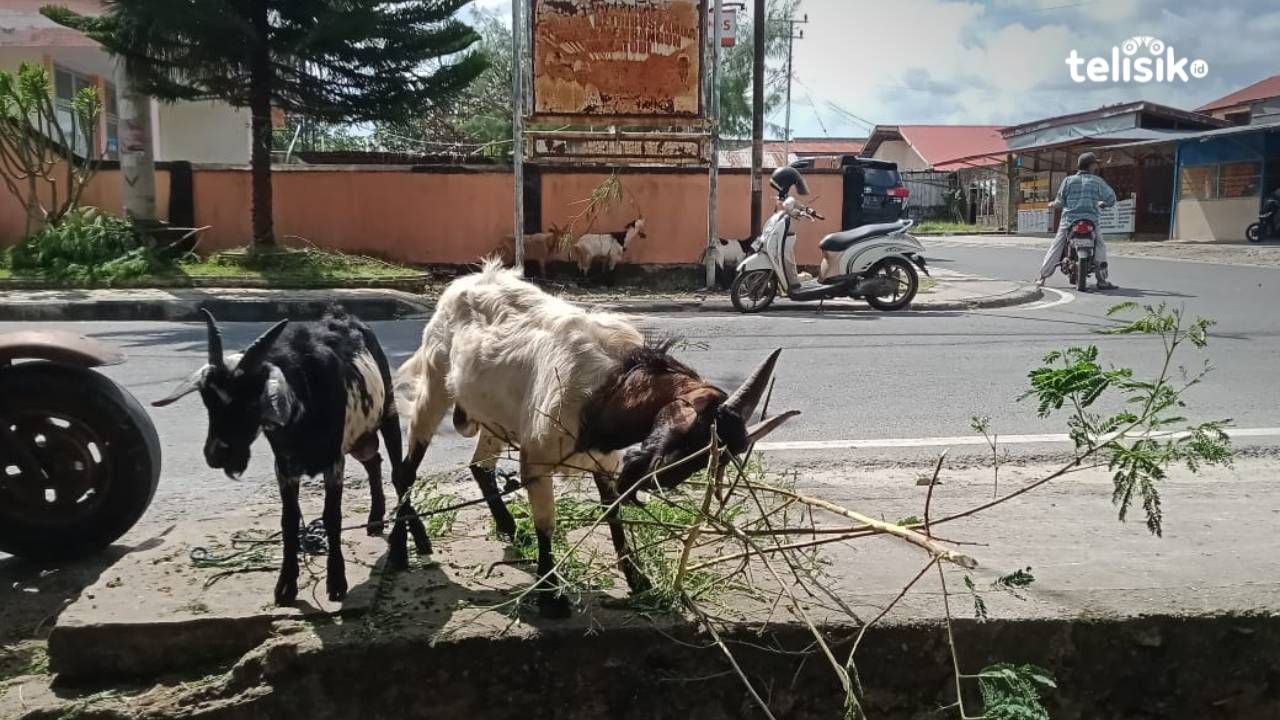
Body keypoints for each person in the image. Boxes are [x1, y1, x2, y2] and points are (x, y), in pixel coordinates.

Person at [1036, 152, 1117, 291]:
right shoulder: (1097, 181)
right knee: (1100, 247)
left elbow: (1060, 202)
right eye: (1094, 164)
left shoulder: (1068, 181)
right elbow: (1111, 199)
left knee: (1056, 246)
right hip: (1091, 221)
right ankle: (1102, 280)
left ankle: (1042, 278)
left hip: (1069, 221)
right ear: (1090, 165)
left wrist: (1052, 204)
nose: (1095, 166)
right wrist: (1104, 204)